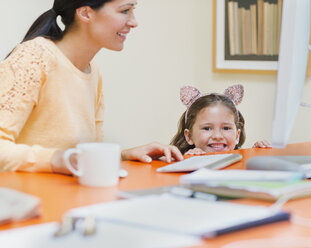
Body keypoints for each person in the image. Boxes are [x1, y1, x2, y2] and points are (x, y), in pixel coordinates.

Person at [0, 0, 183, 174]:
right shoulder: (34, 57)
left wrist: (124, 155)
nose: (134, 22)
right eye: (125, 11)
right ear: (86, 13)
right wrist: (55, 159)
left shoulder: (92, 71)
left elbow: (81, 156)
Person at [170, 85, 271, 155]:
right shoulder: (182, 160)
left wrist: (256, 154)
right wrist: (187, 161)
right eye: (207, 128)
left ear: (237, 136)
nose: (217, 136)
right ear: (189, 136)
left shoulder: (242, 160)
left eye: (226, 128)